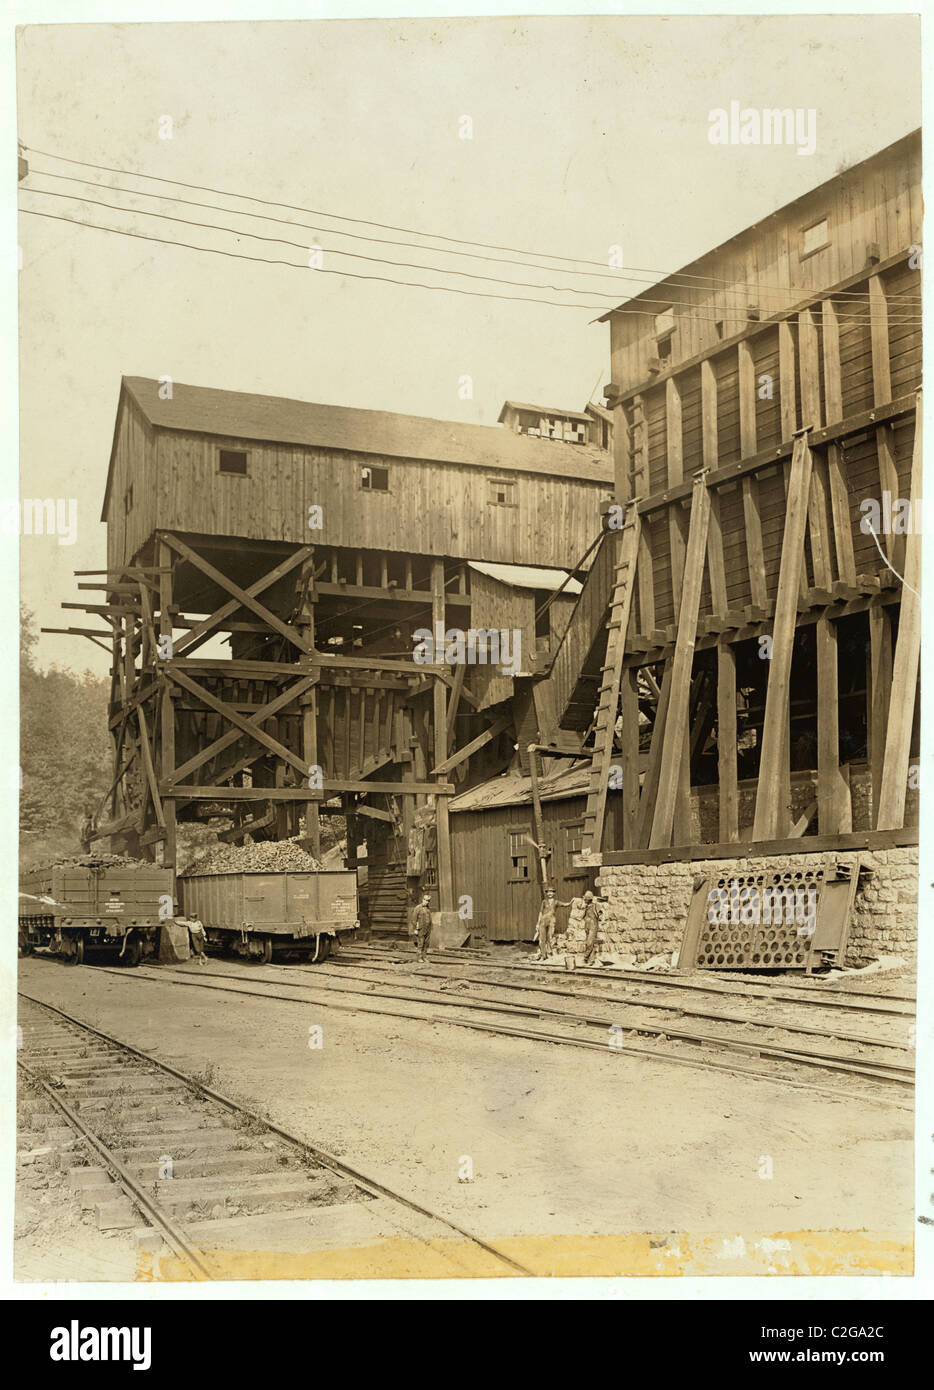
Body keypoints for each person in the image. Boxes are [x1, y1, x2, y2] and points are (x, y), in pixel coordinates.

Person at [533, 886, 571, 962]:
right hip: (543, 921)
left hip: (551, 921)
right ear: (547, 893)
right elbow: (540, 912)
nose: (550, 893)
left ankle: (550, 953)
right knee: (541, 939)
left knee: (549, 937)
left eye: (551, 892)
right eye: (548, 892)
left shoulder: (556, 902)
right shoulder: (544, 902)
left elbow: (565, 904)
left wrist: (571, 902)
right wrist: (538, 923)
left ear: (554, 893)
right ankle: (543, 956)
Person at [582, 891, 603, 965]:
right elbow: (582, 916)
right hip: (587, 926)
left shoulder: (595, 906)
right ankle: (591, 960)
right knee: (589, 943)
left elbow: (600, 913)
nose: (584, 900)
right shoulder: (586, 907)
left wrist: (600, 916)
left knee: (589, 943)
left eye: (586, 898)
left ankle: (585, 957)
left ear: (589, 899)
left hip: (593, 926)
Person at [412, 893, 432, 959]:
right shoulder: (417, 908)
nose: (427, 902)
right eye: (426, 900)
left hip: (427, 928)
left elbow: (429, 918)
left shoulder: (428, 908)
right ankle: (419, 958)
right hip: (420, 929)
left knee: (426, 944)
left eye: (428, 901)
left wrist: (431, 927)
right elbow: (414, 919)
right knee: (420, 943)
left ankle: (424, 957)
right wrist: (415, 929)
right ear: (422, 900)